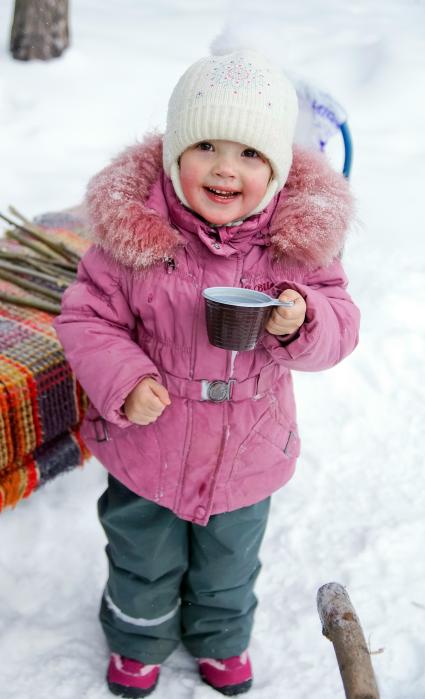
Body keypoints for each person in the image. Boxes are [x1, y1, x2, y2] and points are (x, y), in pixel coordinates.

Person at [54, 49, 360, 698]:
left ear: (277, 169)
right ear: (171, 154)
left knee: (228, 563)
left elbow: (340, 324)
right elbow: (85, 319)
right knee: (142, 558)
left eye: (250, 154)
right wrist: (124, 381)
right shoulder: (135, 239)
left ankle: (220, 637)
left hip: (248, 449)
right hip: (148, 446)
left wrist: (302, 320)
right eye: (206, 145)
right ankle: (138, 638)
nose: (225, 167)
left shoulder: (296, 246)